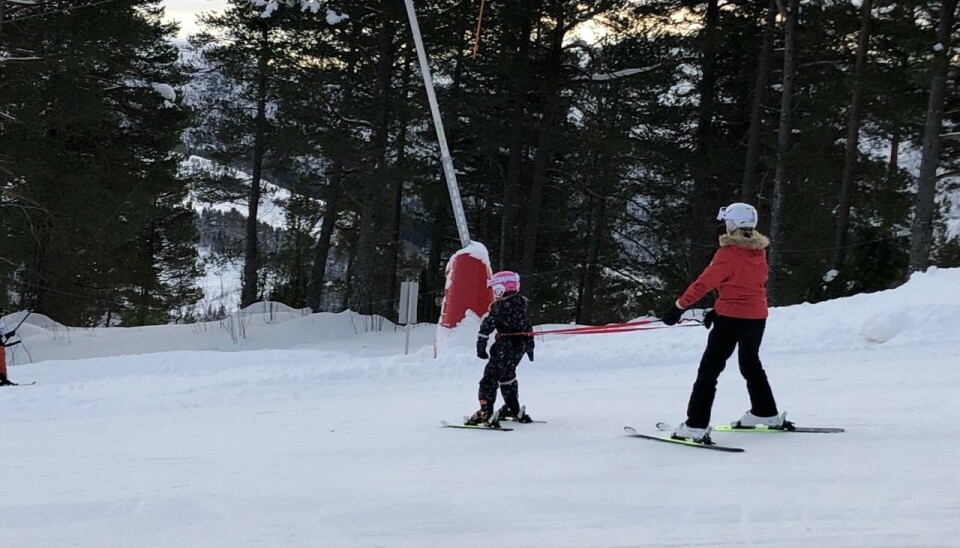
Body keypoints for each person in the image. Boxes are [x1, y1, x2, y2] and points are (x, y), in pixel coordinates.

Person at [659, 202, 787, 443]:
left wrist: (678, 307)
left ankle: (695, 425)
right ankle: (765, 412)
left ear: (732, 224)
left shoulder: (728, 253)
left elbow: (703, 284)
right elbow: (746, 286)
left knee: (709, 371)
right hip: (756, 318)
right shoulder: (758, 252)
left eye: (727, 221)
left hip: (732, 319)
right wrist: (718, 310)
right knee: (750, 364)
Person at [466, 271, 535, 427]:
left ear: (503, 288)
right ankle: (513, 408)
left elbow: (486, 326)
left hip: (504, 347)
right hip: (518, 348)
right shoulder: (521, 304)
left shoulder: (500, 307)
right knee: (507, 377)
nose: (495, 294)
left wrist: (481, 345)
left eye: (496, 290)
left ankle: (486, 412)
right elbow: (527, 327)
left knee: (489, 380)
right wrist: (529, 345)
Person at [0, 311, 12, 386]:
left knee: (2, 361)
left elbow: (1, 334)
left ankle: (3, 378)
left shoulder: (1, 321)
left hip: (0, 344)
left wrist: (8, 335)